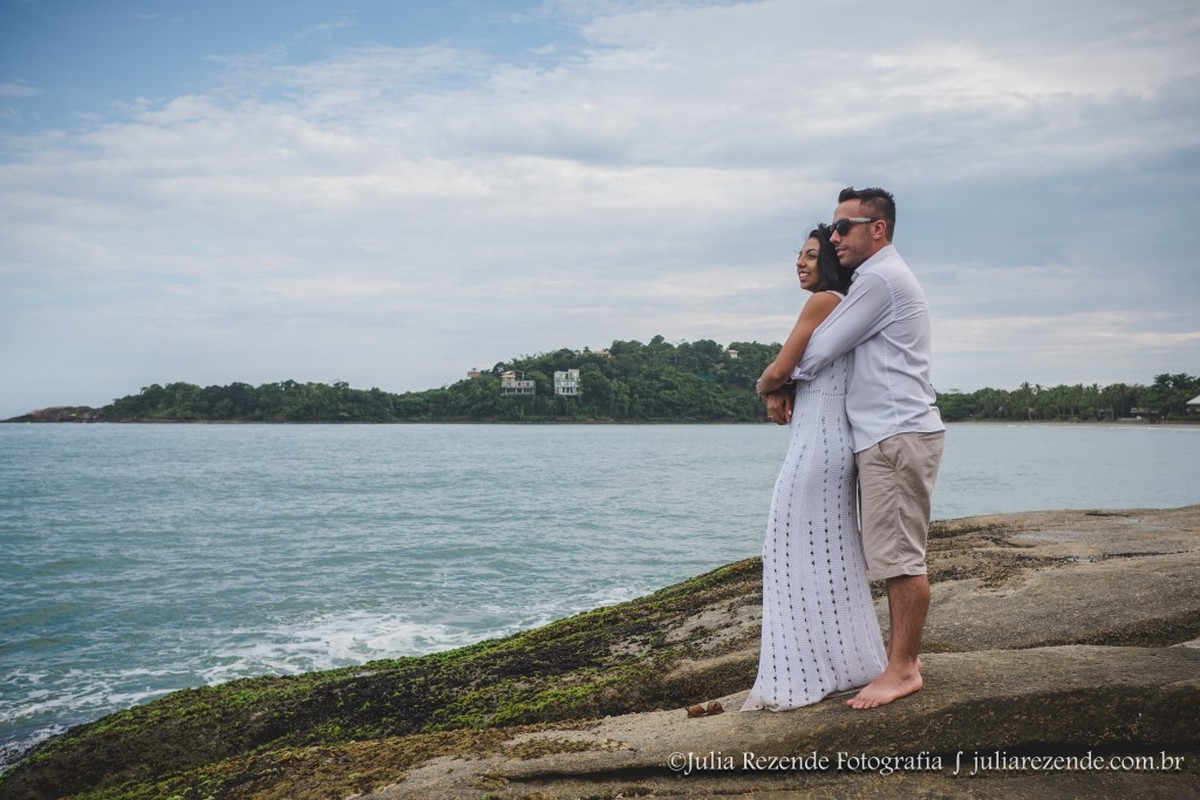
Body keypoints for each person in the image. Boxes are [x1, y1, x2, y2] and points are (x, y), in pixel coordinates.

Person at [784, 187, 945, 710]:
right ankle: (902, 663)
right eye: (833, 228)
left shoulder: (879, 278)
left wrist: (774, 383)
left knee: (899, 559)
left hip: (895, 433)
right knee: (893, 554)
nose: (834, 238)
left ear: (878, 228)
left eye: (844, 227)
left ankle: (902, 670)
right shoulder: (880, 278)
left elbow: (823, 347)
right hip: (889, 433)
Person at [741, 225, 888, 712]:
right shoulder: (842, 304)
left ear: (829, 260)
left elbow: (781, 368)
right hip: (829, 441)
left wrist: (767, 387)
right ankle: (841, 664)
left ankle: (803, 673)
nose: (799, 264)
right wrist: (784, 385)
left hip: (818, 446)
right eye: (796, 257)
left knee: (787, 552)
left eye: (809, 255)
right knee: (828, 553)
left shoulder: (824, 301)